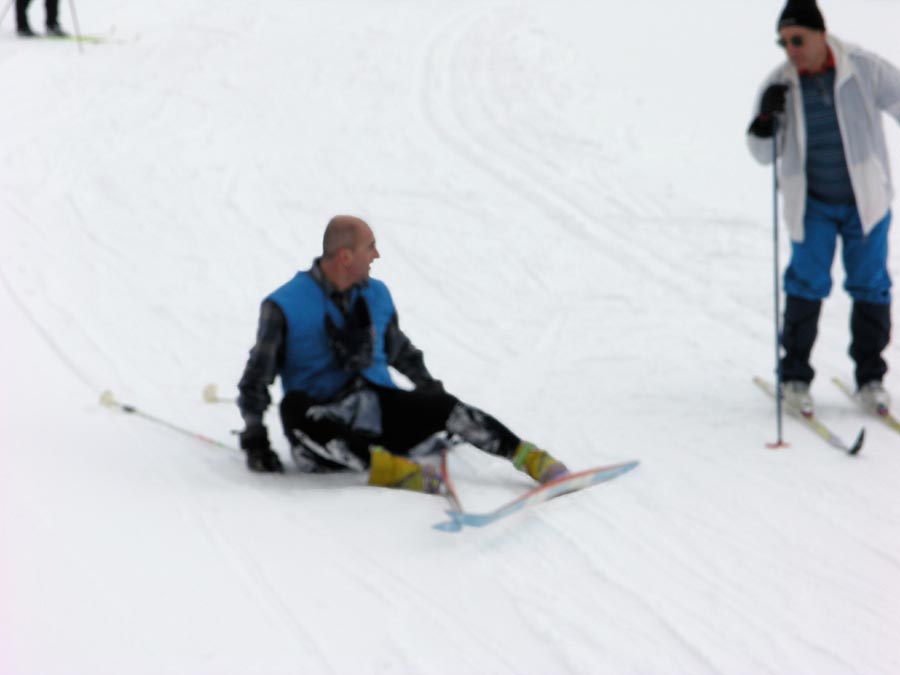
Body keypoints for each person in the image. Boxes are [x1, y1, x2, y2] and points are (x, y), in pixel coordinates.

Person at [235, 215, 569, 493]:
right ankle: (395, 472)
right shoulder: (283, 305)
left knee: (444, 406)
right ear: (345, 257)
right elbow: (255, 379)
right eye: (370, 248)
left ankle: (531, 458)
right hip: (325, 428)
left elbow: (398, 350)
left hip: (377, 409)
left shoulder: (376, 295)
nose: (376, 255)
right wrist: (255, 439)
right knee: (293, 408)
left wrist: (428, 388)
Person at [746, 0, 900, 412]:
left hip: (865, 202)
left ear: (819, 34)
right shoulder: (780, 84)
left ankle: (870, 380)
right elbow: (762, 152)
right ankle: (795, 378)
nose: (791, 50)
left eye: (797, 39)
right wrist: (765, 120)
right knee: (806, 284)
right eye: (783, 43)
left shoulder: (863, 68)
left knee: (870, 285)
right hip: (812, 203)